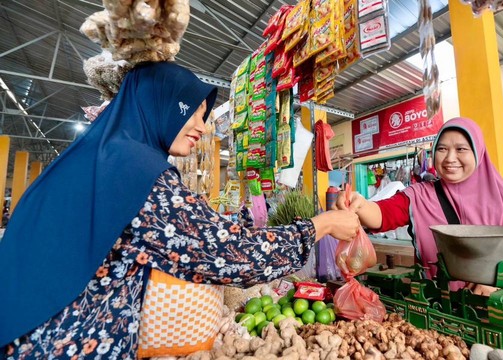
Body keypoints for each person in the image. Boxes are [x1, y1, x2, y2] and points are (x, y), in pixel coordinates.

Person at [0, 61, 360, 359]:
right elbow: (229, 254)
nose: (202, 129)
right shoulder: (134, 168)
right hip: (60, 342)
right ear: (161, 105)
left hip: (31, 326)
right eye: (194, 114)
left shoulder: (104, 154)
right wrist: (322, 224)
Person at [335, 117, 503, 296]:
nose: (450, 158)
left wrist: (497, 284)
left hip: (489, 310)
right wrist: (360, 204)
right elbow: (383, 214)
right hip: (437, 305)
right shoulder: (421, 194)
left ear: (478, 152)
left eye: (461, 149)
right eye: (442, 149)